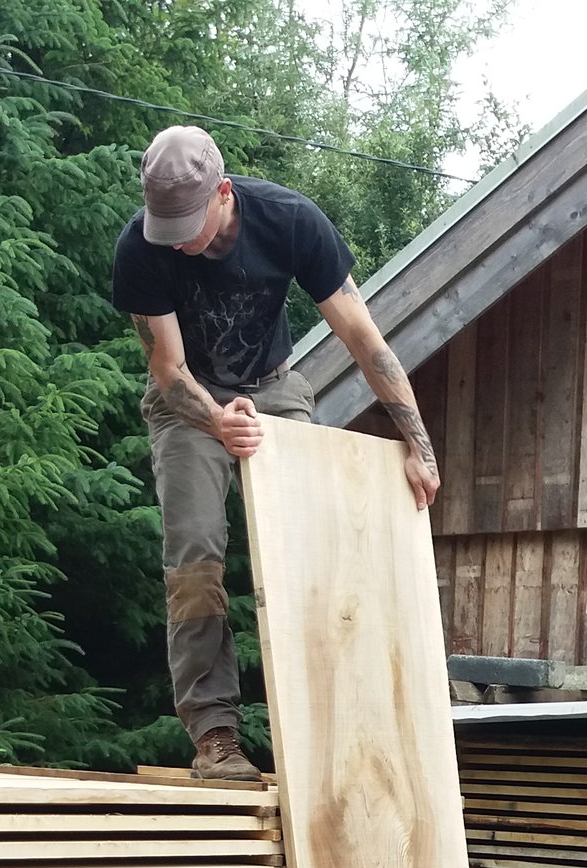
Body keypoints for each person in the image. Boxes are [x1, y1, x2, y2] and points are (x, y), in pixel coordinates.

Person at [111, 125, 442, 781]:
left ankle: (327, 729)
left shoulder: (290, 220)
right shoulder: (140, 249)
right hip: (189, 403)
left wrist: (418, 444)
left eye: (189, 224)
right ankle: (215, 738)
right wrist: (217, 421)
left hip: (274, 388)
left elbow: (364, 340)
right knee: (195, 553)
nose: (177, 239)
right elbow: (169, 371)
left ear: (223, 192)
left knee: (309, 555)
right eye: (165, 226)